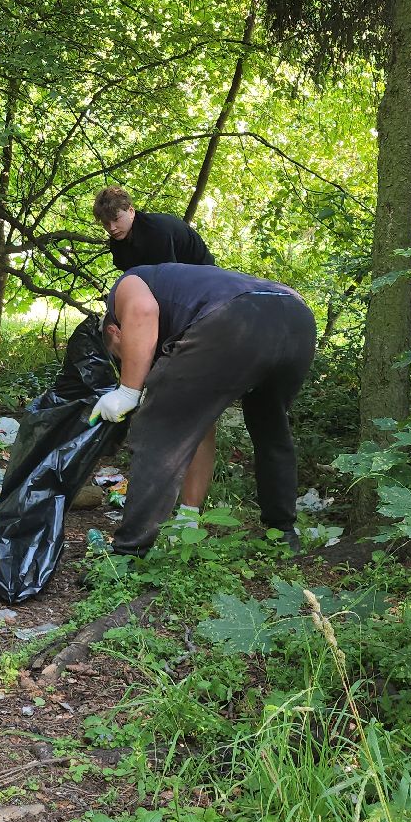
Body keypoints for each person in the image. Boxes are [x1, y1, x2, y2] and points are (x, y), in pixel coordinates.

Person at [93, 263, 315, 556]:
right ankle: (282, 533)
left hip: (236, 318)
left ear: (115, 331)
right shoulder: (184, 289)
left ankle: (128, 553)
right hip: (296, 319)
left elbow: (143, 311)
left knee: (158, 429)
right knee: (270, 427)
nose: (127, 363)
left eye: (119, 355)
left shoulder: (128, 284)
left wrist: (128, 390)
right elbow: (196, 420)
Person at [93, 186, 215, 270]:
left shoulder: (156, 232)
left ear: (131, 211)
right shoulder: (118, 240)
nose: (112, 228)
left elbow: (168, 279)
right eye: (106, 223)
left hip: (204, 276)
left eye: (116, 219)